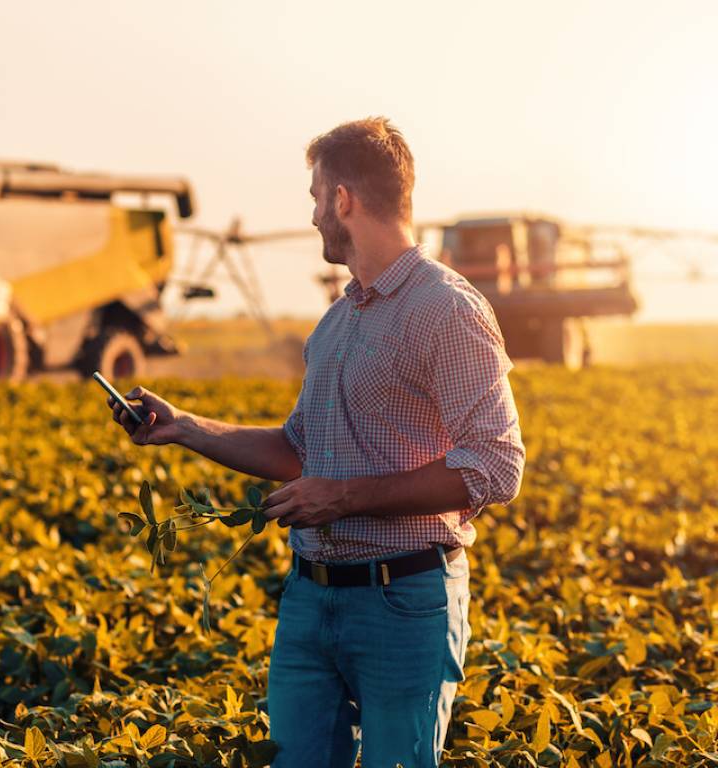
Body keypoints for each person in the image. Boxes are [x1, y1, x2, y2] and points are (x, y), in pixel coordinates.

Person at [105, 116, 526, 768]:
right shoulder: (336, 322)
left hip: (403, 600)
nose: (310, 216)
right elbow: (299, 450)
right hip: (310, 598)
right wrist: (184, 427)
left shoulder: (447, 310)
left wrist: (345, 499)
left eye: (314, 197)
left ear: (343, 200)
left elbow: (496, 464)